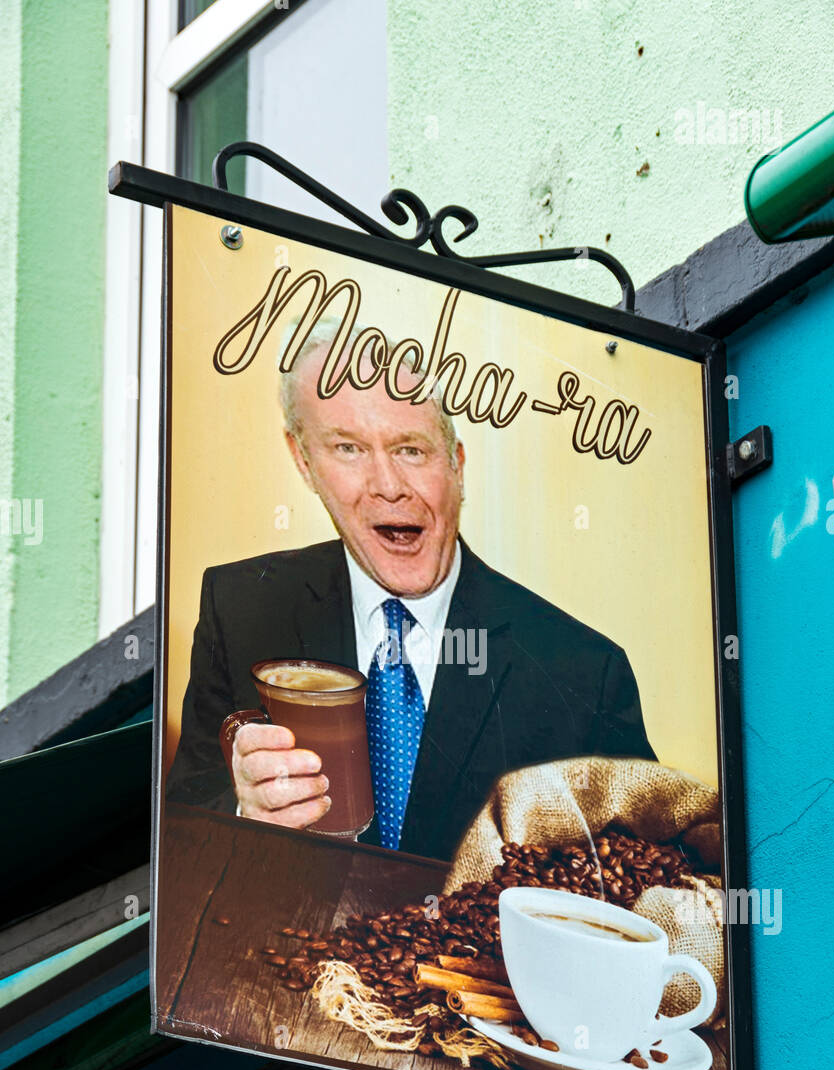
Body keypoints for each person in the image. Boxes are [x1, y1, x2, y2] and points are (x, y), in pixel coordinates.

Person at [167, 324, 656, 863]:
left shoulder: (583, 673)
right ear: (303, 460)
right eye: (348, 448)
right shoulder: (239, 609)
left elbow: (644, 881)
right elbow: (181, 836)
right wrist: (244, 814)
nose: (388, 484)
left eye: (411, 450)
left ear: (457, 465)